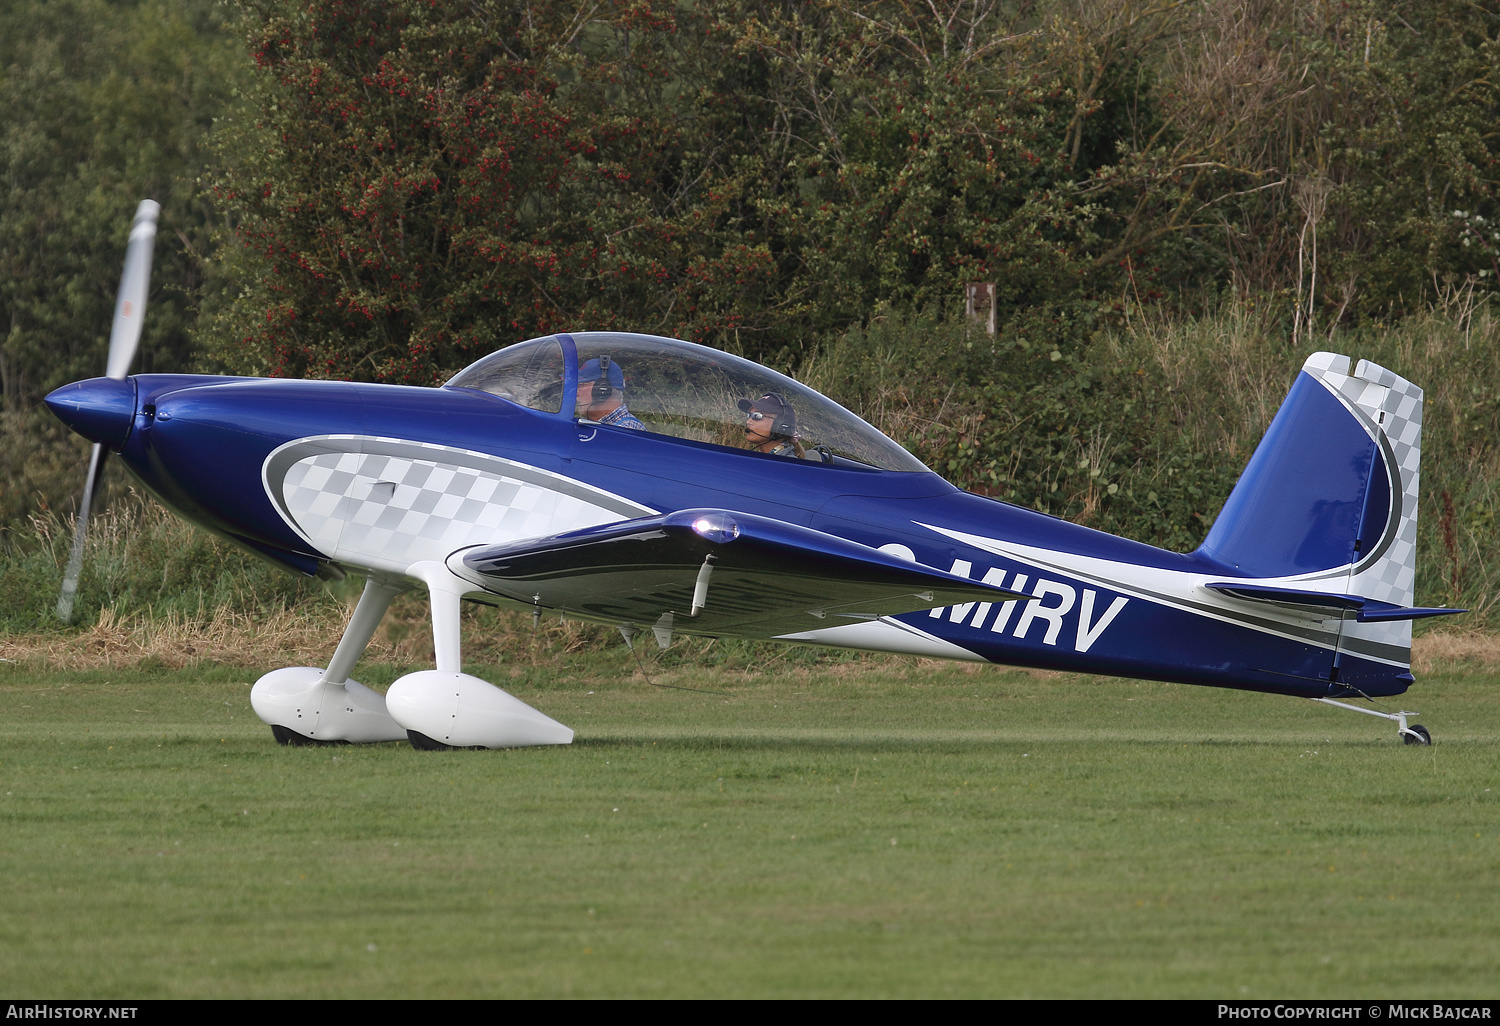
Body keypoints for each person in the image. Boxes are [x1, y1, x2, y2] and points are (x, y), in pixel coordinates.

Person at [576, 356, 646, 430]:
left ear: (602, 390)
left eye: (582, 386)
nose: (576, 393)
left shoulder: (626, 429)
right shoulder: (595, 425)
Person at [739, 392, 804, 458]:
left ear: (781, 426)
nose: (748, 421)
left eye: (757, 415)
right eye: (749, 415)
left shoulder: (785, 465)